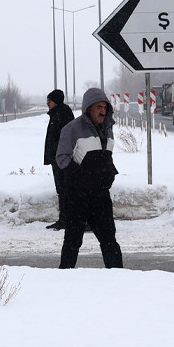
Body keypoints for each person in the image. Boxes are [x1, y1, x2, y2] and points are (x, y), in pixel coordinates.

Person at [54, 87, 123, 269]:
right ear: (88, 108)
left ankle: (119, 278)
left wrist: (110, 173)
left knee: (110, 241)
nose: (103, 111)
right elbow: (61, 158)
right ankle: (64, 277)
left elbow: (106, 155)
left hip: (101, 196)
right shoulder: (72, 129)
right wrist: (80, 177)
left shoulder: (107, 128)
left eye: (105, 108)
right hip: (78, 197)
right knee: (73, 241)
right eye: (99, 107)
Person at [43, 89, 75, 230]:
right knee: (62, 190)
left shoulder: (61, 114)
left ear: (55, 101)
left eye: (49, 101)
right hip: (58, 158)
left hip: (62, 159)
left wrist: (58, 155)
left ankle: (66, 220)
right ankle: (65, 219)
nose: (47, 104)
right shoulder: (57, 113)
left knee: (65, 190)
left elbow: (64, 138)